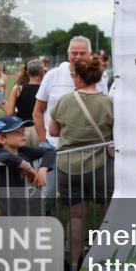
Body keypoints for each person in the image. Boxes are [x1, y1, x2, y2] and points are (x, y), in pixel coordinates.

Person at [49, 54, 113, 271]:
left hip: (68, 166)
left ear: (78, 77)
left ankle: (76, 265)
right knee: (109, 215)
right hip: (101, 165)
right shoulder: (108, 102)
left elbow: (53, 131)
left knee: (76, 217)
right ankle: (108, 260)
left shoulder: (64, 101)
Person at [34, 37, 107, 213]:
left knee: (95, 198)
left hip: (90, 150)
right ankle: (41, 220)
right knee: (47, 194)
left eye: (82, 53)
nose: (78, 56)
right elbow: (38, 111)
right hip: (55, 147)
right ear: (68, 54)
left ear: (90, 54)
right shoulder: (53, 75)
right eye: (74, 53)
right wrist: (43, 140)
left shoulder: (100, 77)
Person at [0, 115, 55, 216]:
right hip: (12, 210)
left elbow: (50, 151)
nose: (23, 135)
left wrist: (43, 169)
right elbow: (6, 158)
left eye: (23, 131)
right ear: (2, 139)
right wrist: (28, 167)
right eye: (17, 132)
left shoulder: (24, 151)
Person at [6, 58, 45, 146]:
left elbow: (9, 113)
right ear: (41, 72)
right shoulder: (45, 89)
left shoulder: (18, 88)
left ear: (27, 72)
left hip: (22, 129)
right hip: (40, 128)